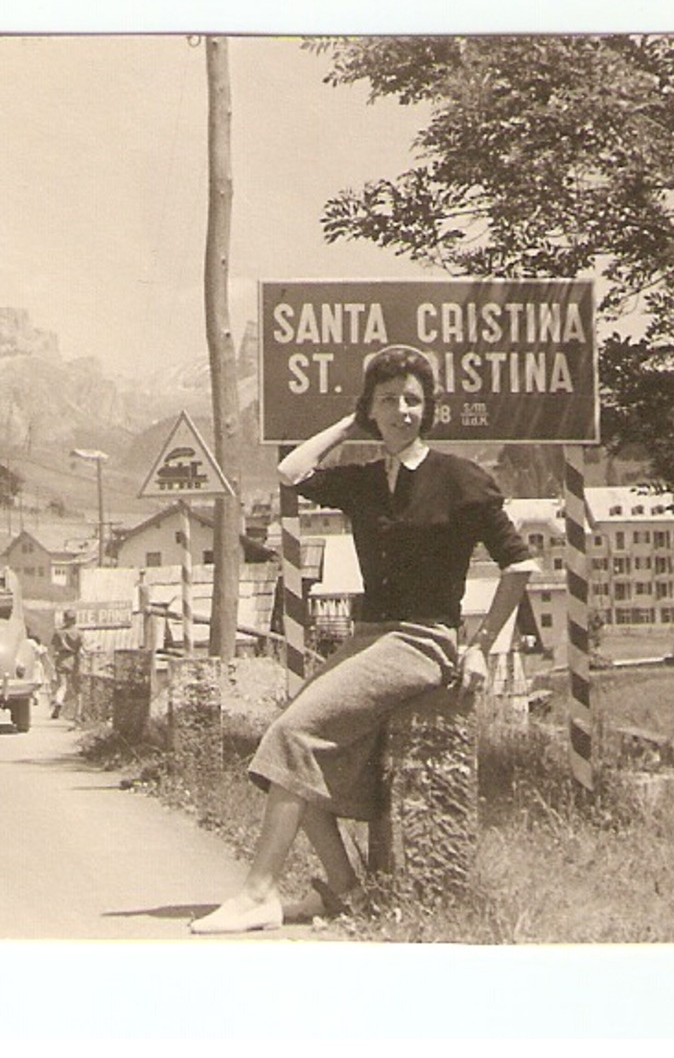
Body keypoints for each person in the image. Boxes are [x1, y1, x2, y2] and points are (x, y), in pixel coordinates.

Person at [189, 344, 538, 934]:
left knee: (294, 734)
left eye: (413, 400)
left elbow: (520, 566)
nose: (402, 410)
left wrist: (479, 644)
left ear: (428, 409)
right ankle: (345, 889)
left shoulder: (461, 478)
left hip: (422, 641)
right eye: (388, 400)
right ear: (371, 410)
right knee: (287, 749)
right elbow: (290, 471)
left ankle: (256, 895)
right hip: (369, 636)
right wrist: (350, 425)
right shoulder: (364, 481)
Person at [50, 609, 82, 718]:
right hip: (74, 660)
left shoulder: (58, 632)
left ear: (64, 619)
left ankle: (59, 701)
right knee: (77, 689)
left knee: (62, 686)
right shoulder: (79, 633)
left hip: (61, 659)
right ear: (75, 620)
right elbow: (81, 649)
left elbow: (54, 649)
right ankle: (78, 714)